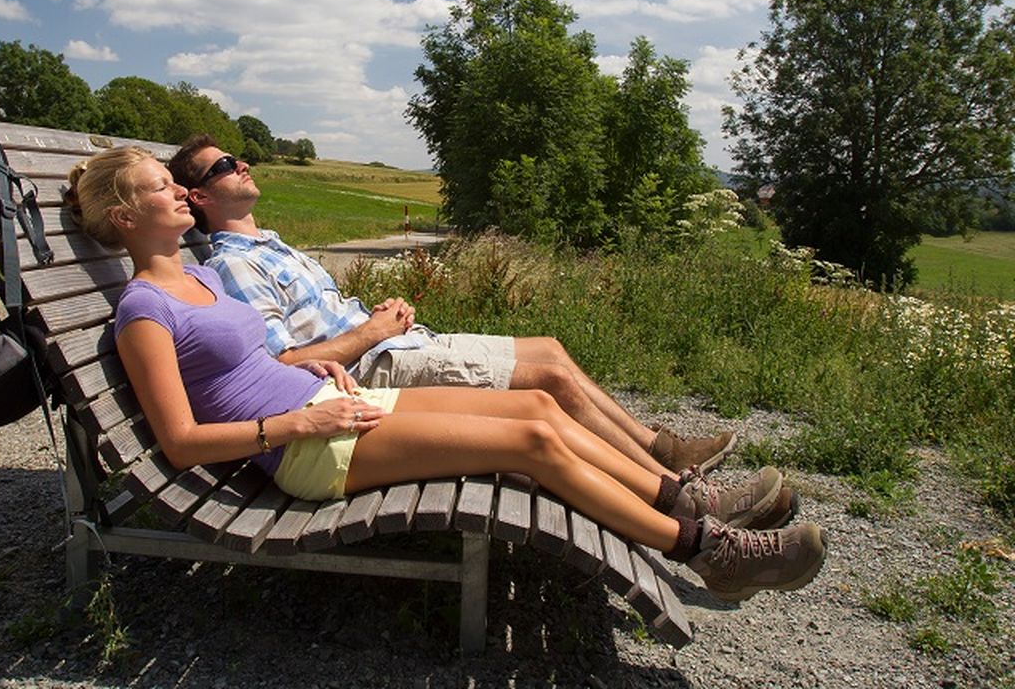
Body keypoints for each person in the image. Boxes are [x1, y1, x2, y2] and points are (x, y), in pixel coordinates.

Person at [63, 145, 828, 603]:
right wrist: (300, 420)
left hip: (333, 403)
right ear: (127, 220)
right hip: (306, 449)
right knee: (528, 446)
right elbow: (183, 440)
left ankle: (680, 494)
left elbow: (252, 362)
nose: (178, 190)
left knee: (535, 405)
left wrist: (326, 373)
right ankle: (708, 551)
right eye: (162, 186)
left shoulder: (199, 281)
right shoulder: (142, 308)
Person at [167, 137, 752, 483]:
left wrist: (381, 315)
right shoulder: (234, 265)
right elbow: (286, 362)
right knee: (547, 379)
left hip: (391, 344)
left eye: (238, 158)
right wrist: (374, 331)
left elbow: (322, 320)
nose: (241, 165)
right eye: (224, 166)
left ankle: (657, 447)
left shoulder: (271, 243)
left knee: (549, 348)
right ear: (200, 196)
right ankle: (673, 485)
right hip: (371, 374)